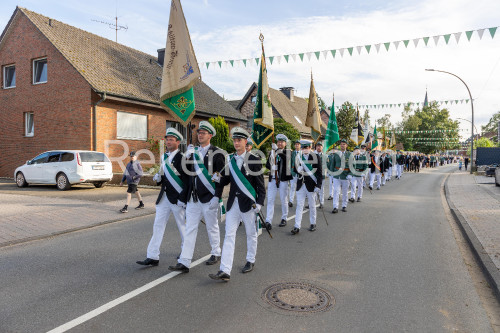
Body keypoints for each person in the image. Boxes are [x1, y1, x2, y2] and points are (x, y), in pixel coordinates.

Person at [208, 127, 266, 282]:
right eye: (234, 140)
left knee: (251, 233)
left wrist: (260, 202)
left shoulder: (254, 160)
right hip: (233, 203)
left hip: (248, 204)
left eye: (239, 140)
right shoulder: (231, 160)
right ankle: (225, 270)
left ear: (245, 142)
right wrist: (218, 177)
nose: (236, 143)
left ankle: (250, 260)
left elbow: (260, 185)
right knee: (229, 235)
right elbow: (227, 180)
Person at [168, 121, 226, 274]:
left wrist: (217, 196)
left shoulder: (218, 153)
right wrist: (186, 158)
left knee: (211, 226)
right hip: (193, 197)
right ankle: (184, 261)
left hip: (208, 197)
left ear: (210, 135)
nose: (200, 135)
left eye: (203, 133)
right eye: (199, 133)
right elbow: (188, 176)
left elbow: (220, 176)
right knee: (190, 229)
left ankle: (216, 252)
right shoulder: (193, 152)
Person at [136, 128, 187, 267]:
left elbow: (187, 181)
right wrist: (158, 178)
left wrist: (184, 198)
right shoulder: (164, 157)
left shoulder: (182, 158)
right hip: (164, 197)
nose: (168, 142)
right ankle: (152, 255)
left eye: (171, 139)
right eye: (167, 139)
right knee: (157, 226)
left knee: (182, 227)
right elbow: (164, 176)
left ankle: (185, 253)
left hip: (177, 198)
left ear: (178, 142)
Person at [291, 139, 322, 233]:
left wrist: (318, 185)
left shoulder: (315, 157)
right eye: (303, 147)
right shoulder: (298, 157)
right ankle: (297, 226)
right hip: (301, 184)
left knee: (312, 205)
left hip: (311, 184)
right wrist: (298, 169)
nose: (305, 149)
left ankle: (313, 223)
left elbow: (319, 172)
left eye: (307, 147)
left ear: (310, 147)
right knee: (299, 205)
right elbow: (295, 168)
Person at [265, 134, 293, 228]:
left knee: (283, 200)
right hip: (272, 179)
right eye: (278, 142)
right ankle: (268, 220)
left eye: (281, 142)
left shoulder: (288, 152)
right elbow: (267, 164)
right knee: (270, 200)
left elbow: (287, 160)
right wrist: (272, 166)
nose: (280, 143)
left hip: (283, 180)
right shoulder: (272, 152)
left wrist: (278, 151)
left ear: (285, 143)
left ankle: (284, 218)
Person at [329, 139, 351, 213]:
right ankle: (335, 207)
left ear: (346, 145)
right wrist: (331, 174)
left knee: (345, 192)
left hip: (345, 176)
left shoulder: (350, 155)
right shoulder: (336, 154)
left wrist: (350, 174)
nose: (342, 145)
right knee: (336, 191)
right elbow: (332, 164)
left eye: (344, 144)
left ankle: (344, 206)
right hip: (337, 175)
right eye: (341, 144)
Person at [288, 140, 301, 207]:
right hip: (293, 172)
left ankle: (299, 201)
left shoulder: (302, 153)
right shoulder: (292, 153)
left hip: (300, 173)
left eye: (298, 144)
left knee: (299, 188)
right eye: (296, 144)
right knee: (292, 187)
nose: (296, 145)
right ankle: (291, 201)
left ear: (300, 145)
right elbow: (290, 162)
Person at [314, 142, 326, 208]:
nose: (318, 147)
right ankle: (313, 202)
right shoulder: (313, 155)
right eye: (317, 146)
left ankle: (321, 202)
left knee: (321, 189)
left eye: (320, 146)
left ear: (322, 147)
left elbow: (327, 165)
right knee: (313, 189)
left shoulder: (325, 156)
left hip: (321, 175)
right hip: (314, 175)